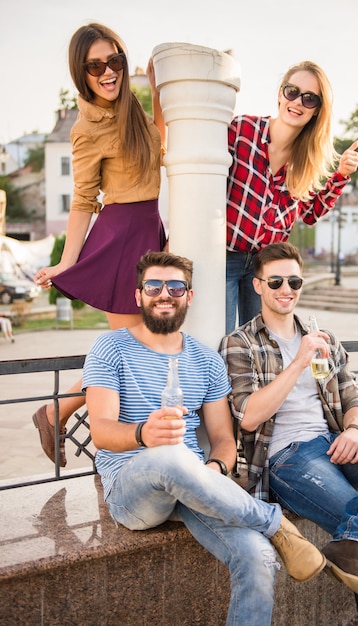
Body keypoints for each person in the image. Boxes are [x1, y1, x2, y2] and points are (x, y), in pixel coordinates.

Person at [82, 250, 326, 626]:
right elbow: (100, 432)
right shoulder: (110, 347)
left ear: (189, 296)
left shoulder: (206, 361)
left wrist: (213, 469)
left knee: (258, 558)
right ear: (138, 295)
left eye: (176, 286)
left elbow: (223, 440)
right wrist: (143, 433)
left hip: (195, 485)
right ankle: (276, 524)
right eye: (154, 286)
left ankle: (266, 534)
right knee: (170, 456)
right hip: (132, 490)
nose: (165, 294)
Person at [219, 241, 358, 625]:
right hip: (288, 458)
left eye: (294, 281)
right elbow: (248, 416)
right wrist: (298, 361)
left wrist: (357, 432)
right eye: (276, 281)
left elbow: (355, 401)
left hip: (336, 446)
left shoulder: (321, 336)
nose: (286, 289)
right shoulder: (240, 343)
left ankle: (352, 540)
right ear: (258, 286)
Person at [32, 23, 167, 467]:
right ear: (81, 72)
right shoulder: (85, 128)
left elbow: (162, 148)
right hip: (121, 234)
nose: (107, 72)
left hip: (149, 231)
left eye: (115, 61)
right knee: (132, 348)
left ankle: (69, 417)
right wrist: (66, 265)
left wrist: (161, 95)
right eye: (95, 65)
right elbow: (83, 201)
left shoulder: (134, 110)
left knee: (140, 349)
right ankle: (66, 416)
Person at [225, 60, 358, 333]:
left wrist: (341, 175)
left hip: (267, 268)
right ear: (280, 94)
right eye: (292, 91)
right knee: (220, 339)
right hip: (224, 258)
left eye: (309, 98)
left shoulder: (306, 162)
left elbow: (310, 214)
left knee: (261, 345)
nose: (298, 101)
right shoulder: (241, 131)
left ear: (317, 110)